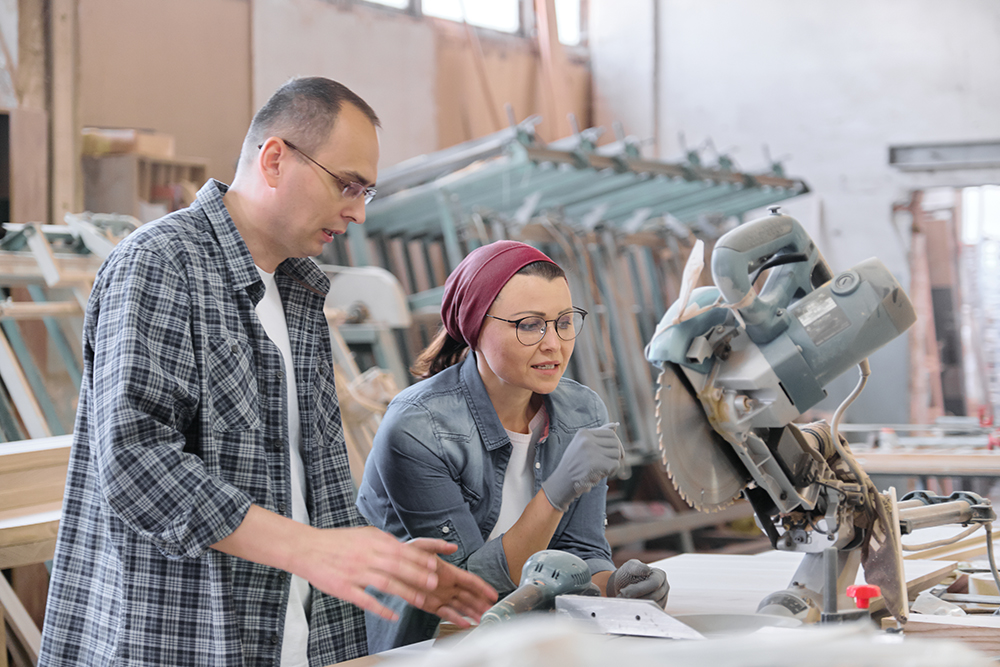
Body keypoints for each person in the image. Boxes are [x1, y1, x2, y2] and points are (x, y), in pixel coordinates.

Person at [38, 77, 496, 667]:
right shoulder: (160, 264)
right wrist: (308, 549)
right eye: (347, 185)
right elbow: (135, 461)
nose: (357, 211)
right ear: (275, 158)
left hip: (293, 638)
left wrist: (383, 566)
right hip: (180, 636)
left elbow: (298, 483)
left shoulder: (299, 290)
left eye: (367, 192)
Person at [356, 240, 669, 652]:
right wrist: (557, 492)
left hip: (528, 638)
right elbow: (467, 586)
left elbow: (580, 553)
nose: (553, 344)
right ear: (475, 327)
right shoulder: (418, 426)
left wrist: (617, 586)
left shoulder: (581, 410)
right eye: (529, 324)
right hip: (426, 645)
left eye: (564, 321)